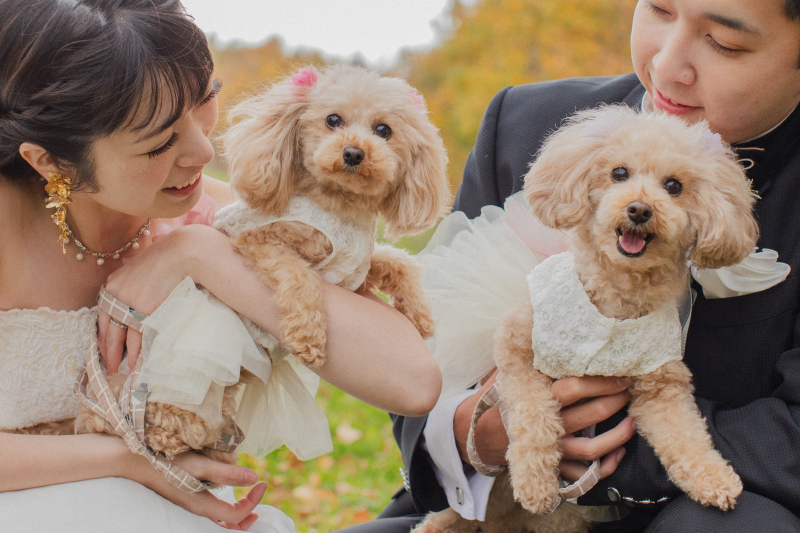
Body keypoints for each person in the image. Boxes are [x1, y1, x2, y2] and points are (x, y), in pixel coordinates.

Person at [341, 0, 800, 531]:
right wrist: (470, 430)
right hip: (488, 510)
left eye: (724, 42)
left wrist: (607, 453)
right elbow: (426, 338)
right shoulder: (523, 121)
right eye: (658, 9)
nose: (667, 66)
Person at [0, 1, 441, 531]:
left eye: (206, 98)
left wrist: (198, 253)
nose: (204, 149)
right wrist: (124, 460)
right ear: (50, 161)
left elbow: (412, 383)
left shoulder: (212, 216)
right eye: (160, 142)